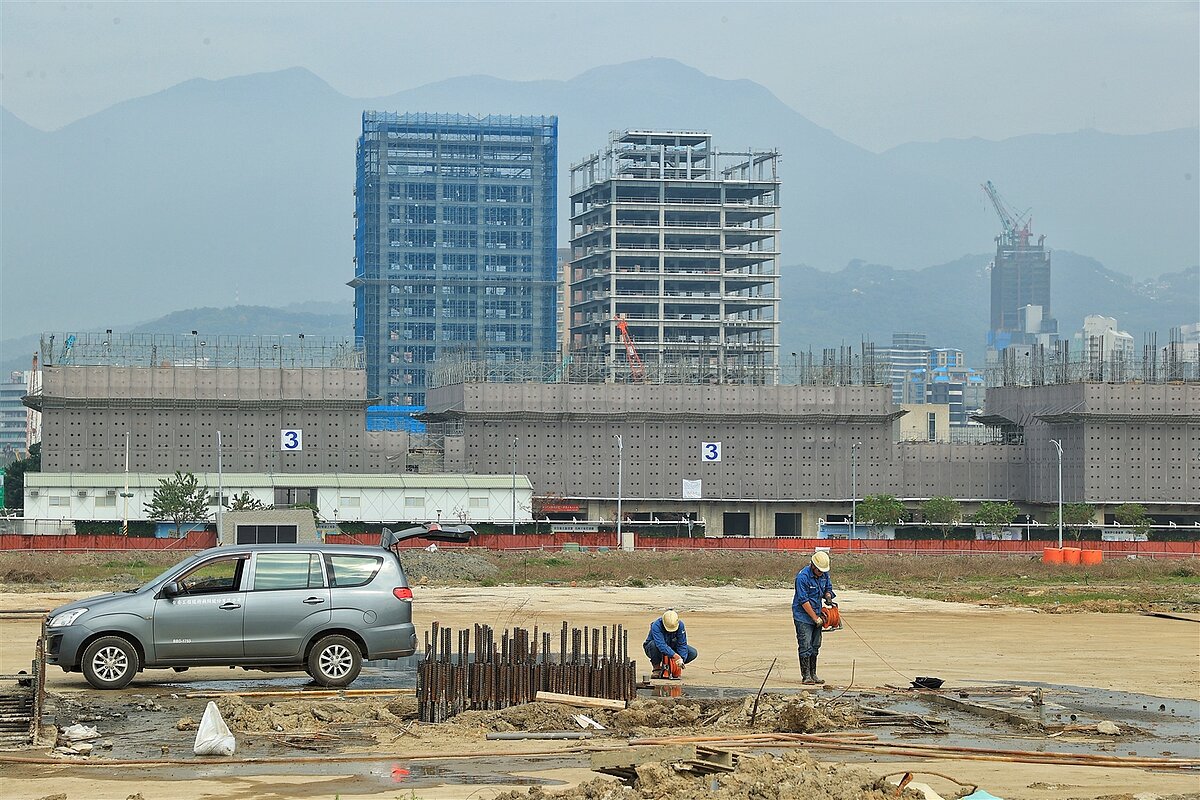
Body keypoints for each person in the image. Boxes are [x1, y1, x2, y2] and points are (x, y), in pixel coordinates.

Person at [792, 550, 836, 685]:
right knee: (805, 645)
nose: (821, 573)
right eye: (819, 571)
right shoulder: (802, 578)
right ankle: (806, 676)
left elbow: (828, 588)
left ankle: (813, 674)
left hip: (817, 612)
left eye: (823, 571)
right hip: (803, 616)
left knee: (815, 645)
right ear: (813, 566)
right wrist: (815, 618)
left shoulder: (824, 574)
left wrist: (828, 596)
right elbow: (803, 600)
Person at [643, 609, 697, 679]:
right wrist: (675, 655)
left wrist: (681, 659)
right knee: (653, 644)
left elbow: (682, 644)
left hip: (672, 645)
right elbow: (661, 645)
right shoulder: (656, 625)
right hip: (655, 649)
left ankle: (672, 667)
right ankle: (656, 668)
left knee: (692, 653)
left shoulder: (680, 625)